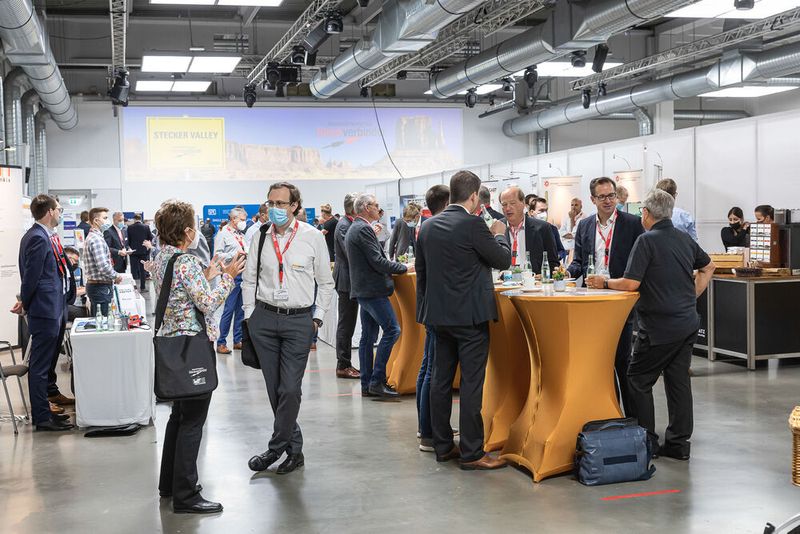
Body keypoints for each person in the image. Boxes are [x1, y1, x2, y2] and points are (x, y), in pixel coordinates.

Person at [587, 189, 715, 461]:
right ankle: (679, 444)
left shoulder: (646, 241)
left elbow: (631, 283)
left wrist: (604, 282)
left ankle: (646, 441)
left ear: (646, 213)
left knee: (637, 380)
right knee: (678, 381)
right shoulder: (684, 239)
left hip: (659, 326)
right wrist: (692, 294)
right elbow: (709, 267)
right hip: (686, 322)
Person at [152, 200, 244, 514]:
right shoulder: (185, 261)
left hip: (171, 344)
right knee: (193, 421)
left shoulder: (163, 256)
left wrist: (206, 273)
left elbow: (179, 292)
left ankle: (169, 485)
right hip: (190, 346)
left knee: (178, 418)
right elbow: (206, 302)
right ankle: (186, 495)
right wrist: (228, 277)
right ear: (188, 231)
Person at [416, 171, 511, 470]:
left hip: (438, 316)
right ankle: (472, 452)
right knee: (472, 384)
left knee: (441, 381)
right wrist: (499, 233)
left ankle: (442, 445)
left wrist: (425, 312)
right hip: (469, 318)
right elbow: (502, 260)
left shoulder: (429, 226)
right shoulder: (473, 224)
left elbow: (422, 273)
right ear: (473, 197)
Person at [244, 182, 334, 475]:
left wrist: (317, 318)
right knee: (274, 390)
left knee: (290, 389)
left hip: (299, 321)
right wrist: (249, 316)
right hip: (264, 320)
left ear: (295, 205)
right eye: (271, 203)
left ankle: (275, 448)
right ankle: (295, 451)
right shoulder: (258, 237)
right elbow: (248, 279)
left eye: (281, 203)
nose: (275, 209)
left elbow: (326, 282)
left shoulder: (311, 237)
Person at [567, 177, 644, 416]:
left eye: (611, 195)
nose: (609, 200)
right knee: (600, 363)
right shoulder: (585, 225)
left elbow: (640, 263)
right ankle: (611, 415)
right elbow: (579, 261)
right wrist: (567, 273)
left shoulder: (633, 224)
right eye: (603, 197)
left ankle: (632, 420)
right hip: (593, 301)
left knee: (623, 359)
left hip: (620, 299)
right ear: (593, 200)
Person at [13, 195, 74, 431]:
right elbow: (31, 278)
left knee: (47, 364)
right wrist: (25, 303)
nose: (60, 212)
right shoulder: (37, 238)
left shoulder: (45, 236)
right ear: (49, 211)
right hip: (45, 309)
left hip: (55, 306)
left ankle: (46, 408)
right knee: (39, 367)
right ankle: (42, 417)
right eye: (58, 209)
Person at [346, 193, 411, 398]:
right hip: (372, 290)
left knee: (368, 337)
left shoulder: (357, 228)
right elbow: (377, 261)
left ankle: (367, 383)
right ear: (366, 207)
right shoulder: (363, 228)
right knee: (392, 330)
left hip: (365, 290)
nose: (378, 209)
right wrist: (403, 267)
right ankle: (376, 380)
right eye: (375, 205)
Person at [416, 184, 450, 452]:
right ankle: (428, 431)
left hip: (429, 308)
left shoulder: (426, 227)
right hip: (438, 310)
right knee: (431, 370)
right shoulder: (436, 227)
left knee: (427, 368)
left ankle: (425, 428)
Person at [331, 193, 361, 380]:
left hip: (351, 279)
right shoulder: (344, 226)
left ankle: (346, 363)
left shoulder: (349, 224)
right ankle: (343, 364)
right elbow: (351, 253)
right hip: (346, 281)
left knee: (348, 322)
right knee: (346, 323)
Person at [499, 186, 559, 274]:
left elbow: (553, 262)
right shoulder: (497, 229)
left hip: (533, 284)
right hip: (504, 284)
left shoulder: (542, 228)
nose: (508, 208)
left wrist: (543, 277)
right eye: (504, 204)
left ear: (523, 203)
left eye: (512, 203)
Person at [214, 207, 248, 354]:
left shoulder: (239, 234)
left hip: (243, 273)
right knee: (229, 309)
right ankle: (221, 342)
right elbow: (217, 255)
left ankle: (237, 340)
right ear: (233, 220)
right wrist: (235, 254)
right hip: (231, 274)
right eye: (242, 219)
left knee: (241, 309)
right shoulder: (223, 234)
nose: (244, 222)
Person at [83, 207, 123, 315]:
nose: (107, 221)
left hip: (98, 287)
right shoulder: (96, 239)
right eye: (105, 218)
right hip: (100, 287)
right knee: (103, 323)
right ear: (96, 220)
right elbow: (103, 266)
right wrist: (116, 276)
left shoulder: (95, 237)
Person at [531, 198, 566, 263]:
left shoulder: (553, 229)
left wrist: (557, 256)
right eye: (541, 210)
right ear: (532, 212)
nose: (544, 213)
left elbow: (562, 251)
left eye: (546, 210)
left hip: (550, 266)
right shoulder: (527, 230)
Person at [127, 214, 154, 292]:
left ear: (134, 219)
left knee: (133, 270)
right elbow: (150, 238)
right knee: (143, 270)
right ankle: (142, 287)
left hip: (133, 252)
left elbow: (128, 240)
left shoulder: (130, 227)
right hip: (143, 252)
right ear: (141, 219)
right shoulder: (146, 227)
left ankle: (133, 288)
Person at [64, 246, 89, 322]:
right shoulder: (61, 273)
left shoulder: (69, 272)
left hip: (65, 305)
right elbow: (69, 294)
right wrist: (88, 289)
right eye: (74, 260)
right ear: (67, 257)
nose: (75, 264)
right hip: (61, 307)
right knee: (87, 313)